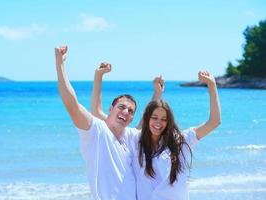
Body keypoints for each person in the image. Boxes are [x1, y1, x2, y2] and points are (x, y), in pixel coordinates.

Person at [92, 70, 221, 200]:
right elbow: (98, 114)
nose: (158, 123)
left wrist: (212, 85)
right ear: (147, 119)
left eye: (164, 119)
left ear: (169, 121)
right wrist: (99, 76)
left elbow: (214, 122)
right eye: (154, 117)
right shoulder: (136, 139)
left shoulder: (180, 141)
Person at [55, 45, 161, 200]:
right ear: (111, 109)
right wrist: (60, 64)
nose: (126, 112)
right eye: (121, 107)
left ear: (131, 118)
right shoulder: (97, 132)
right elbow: (72, 104)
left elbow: (145, 122)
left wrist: (157, 94)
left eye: (130, 111)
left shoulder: (130, 137)